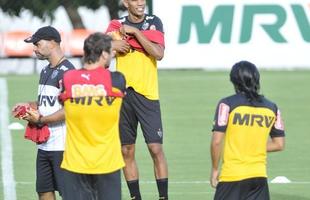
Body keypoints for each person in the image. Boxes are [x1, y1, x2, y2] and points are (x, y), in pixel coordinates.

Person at [105, 0, 168, 199]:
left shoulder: (154, 22)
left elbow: (158, 54)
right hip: (123, 95)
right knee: (127, 149)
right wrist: (113, 43)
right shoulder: (116, 24)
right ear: (125, 2)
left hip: (148, 94)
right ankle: (135, 197)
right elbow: (103, 51)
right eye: (135, 0)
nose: (140, 3)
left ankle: (163, 197)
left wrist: (135, 33)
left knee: (155, 148)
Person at [59, 32, 125, 200]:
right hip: (107, 163)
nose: (113, 54)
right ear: (103, 54)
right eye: (111, 51)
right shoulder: (116, 80)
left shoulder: (68, 79)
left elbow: (63, 103)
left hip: (75, 163)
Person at [12, 26, 75, 200]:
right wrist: (28, 106)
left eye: (37, 44)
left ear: (53, 43)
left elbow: (71, 109)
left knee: (69, 194)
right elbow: (46, 103)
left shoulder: (69, 72)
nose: (34, 48)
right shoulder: (46, 70)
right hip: (44, 147)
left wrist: (41, 119)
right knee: (44, 192)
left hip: (63, 148)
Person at [210, 61, 286, 200]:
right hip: (259, 177)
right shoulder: (272, 108)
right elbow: (279, 144)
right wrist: (253, 145)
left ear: (234, 81)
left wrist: (215, 170)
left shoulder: (226, 104)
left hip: (232, 176)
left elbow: (216, 142)